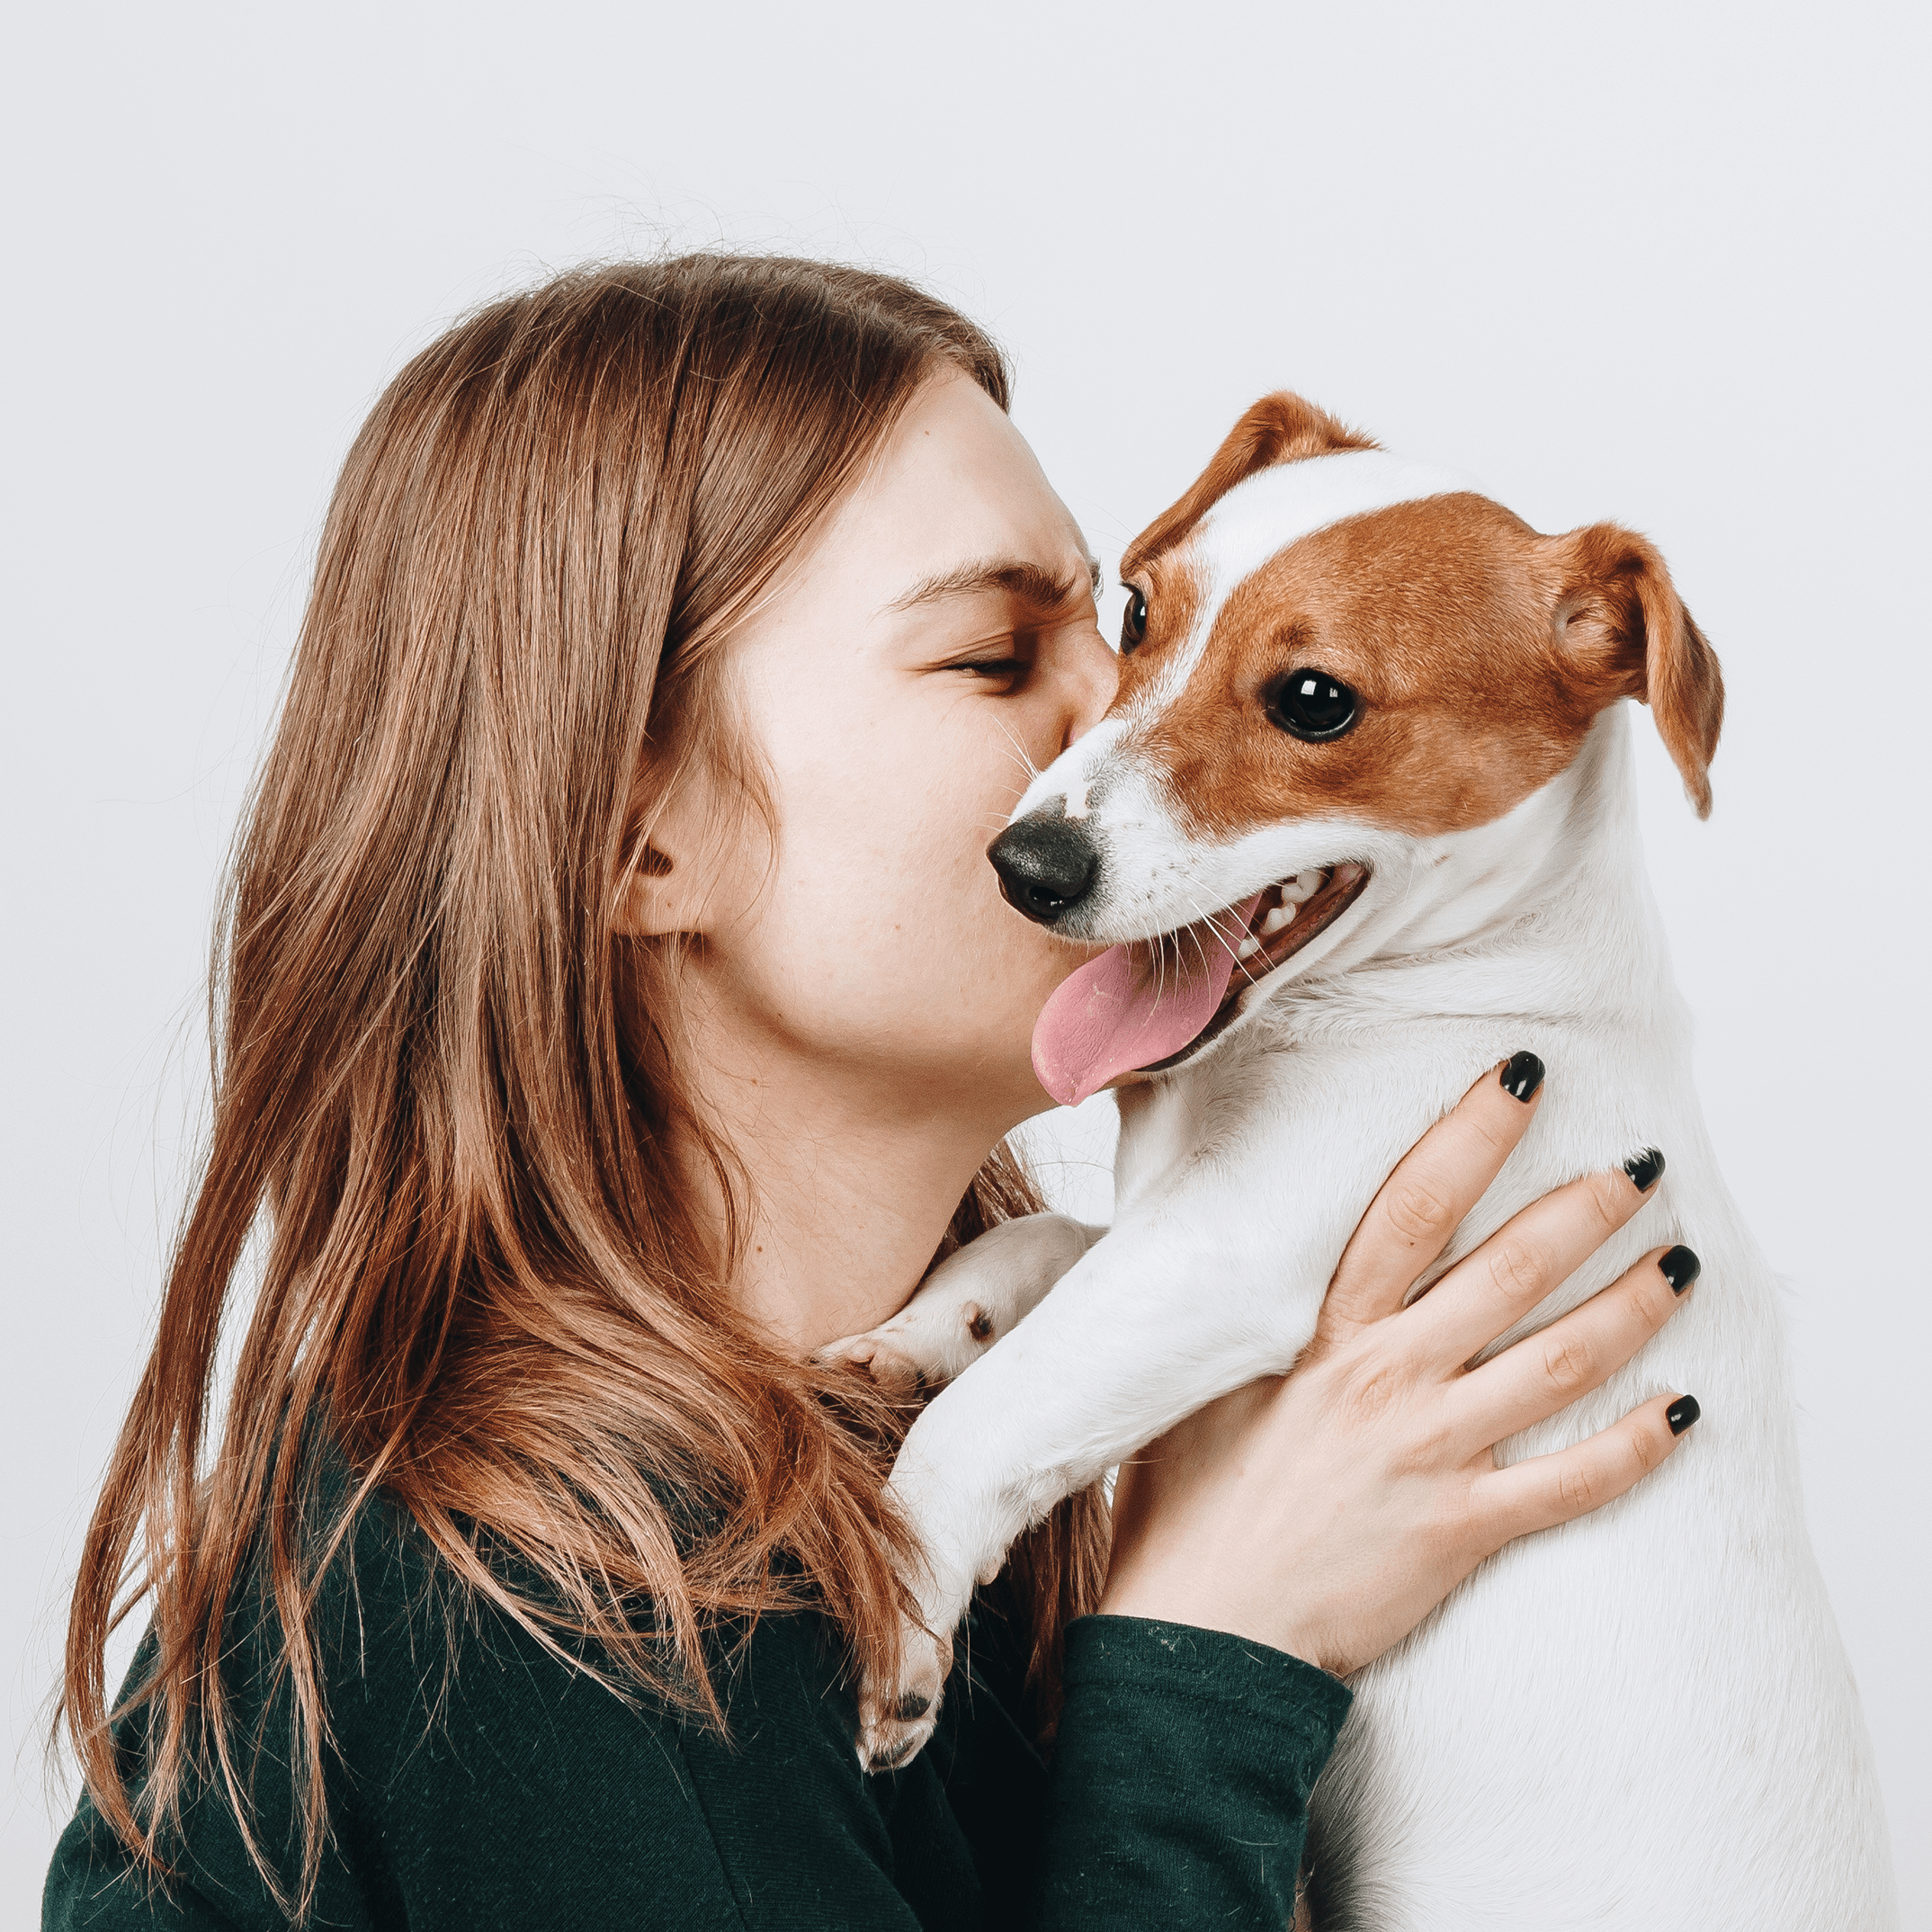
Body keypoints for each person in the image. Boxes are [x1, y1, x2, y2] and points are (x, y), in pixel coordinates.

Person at [46, 255, 1698, 1930]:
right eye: (996, 656)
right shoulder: (554, 1607)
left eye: (1112, 621)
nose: (1116, 726)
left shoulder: (890, 1481)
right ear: (646, 840)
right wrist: (1216, 1665)